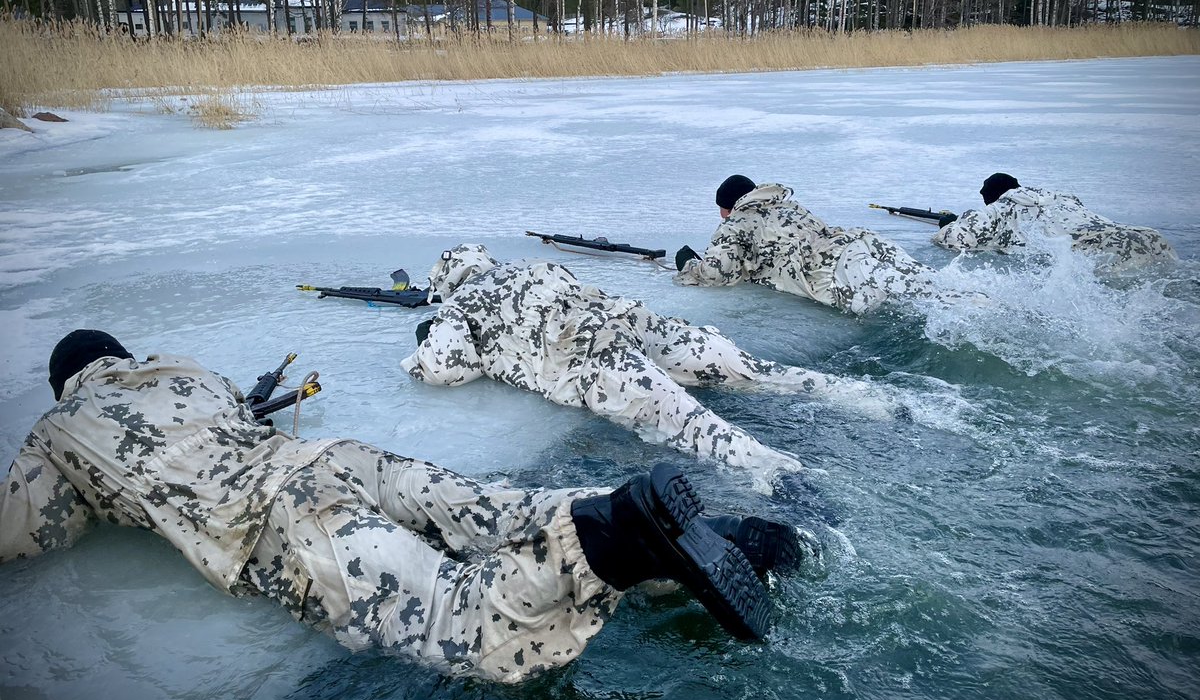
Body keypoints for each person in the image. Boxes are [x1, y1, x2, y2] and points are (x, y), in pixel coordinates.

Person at [0, 330, 810, 683]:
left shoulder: (60, 428)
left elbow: (30, 527)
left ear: (67, 381)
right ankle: (699, 529)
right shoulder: (180, 369)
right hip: (345, 459)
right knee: (498, 508)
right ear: (118, 353)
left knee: (453, 621)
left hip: (280, 523)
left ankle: (612, 543)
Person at [403, 245, 894, 486]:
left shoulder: (461, 305)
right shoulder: (534, 267)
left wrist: (421, 349)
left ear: (448, 280)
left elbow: (447, 366)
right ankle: (872, 401)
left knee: (699, 430)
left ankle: (788, 481)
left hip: (596, 361)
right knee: (755, 370)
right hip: (640, 323)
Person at [674, 175, 940, 315]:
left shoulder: (737, 222)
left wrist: (687, 264)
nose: (721, 216)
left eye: (721, 209)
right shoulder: (789, 206)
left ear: (729, 206)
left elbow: (715, 274)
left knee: (916, 308)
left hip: (836, 273)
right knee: (936, 290)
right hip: (864, 244)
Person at [932, 173, 1177, 270]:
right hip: (1147, 236)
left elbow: (958, 240)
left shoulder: (999, 209)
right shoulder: (1060, 198)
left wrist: (950, 223)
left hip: (1100, 252)